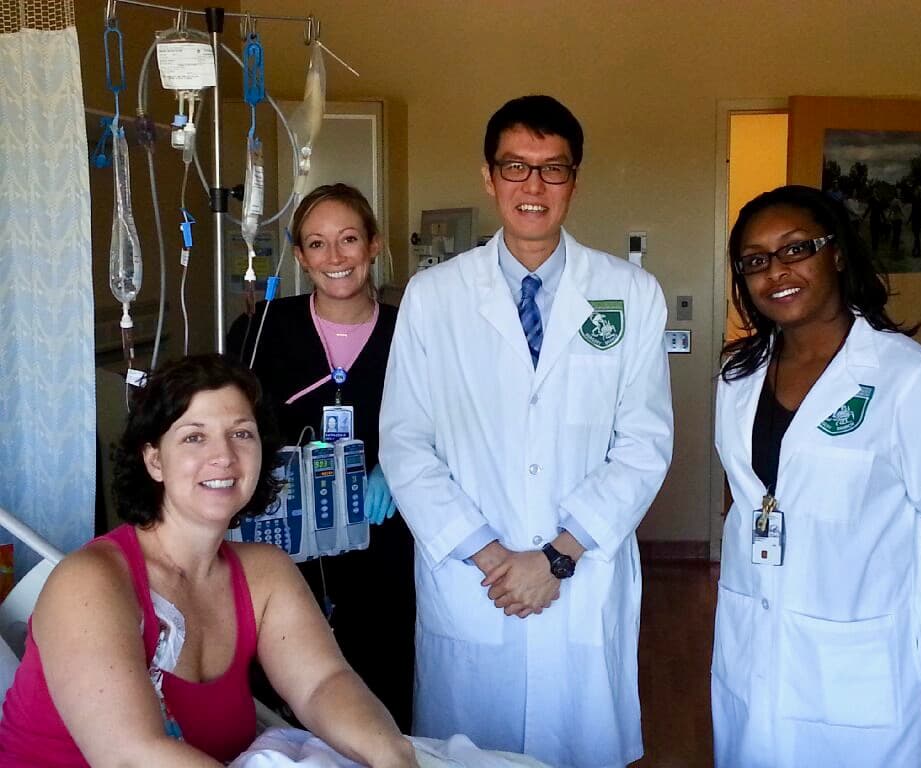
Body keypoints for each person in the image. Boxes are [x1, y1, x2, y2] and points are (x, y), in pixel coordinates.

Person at [379, 94, 673, 768]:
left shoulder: (630, 293)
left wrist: (559, 557)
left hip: (582, 575)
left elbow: (644, 445)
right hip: (477, 585)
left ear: (576, 180)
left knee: (581, 749)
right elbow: (405, 442)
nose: (532, 187)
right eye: (515, 167)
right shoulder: (435, 296)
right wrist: (493, 559)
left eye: (552, 169)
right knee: (469, 756)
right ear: (488, 177)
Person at [0, 354, 415, 768]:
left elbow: (324, 684)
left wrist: (393, 755)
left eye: (241, 434)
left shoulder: (266, 575)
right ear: (154, 460)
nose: (224, 456)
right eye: (194, 437)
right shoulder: (89, 583)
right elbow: (129, 756)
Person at [713, 184, 921, 767]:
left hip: (865, 654)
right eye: (756, 261)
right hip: (754, 630)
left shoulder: (907, 380)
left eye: (797, 249)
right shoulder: (739, 377)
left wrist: (910, 620)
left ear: (837, 253)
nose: (777, 272)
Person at [227, 183, 415, 732]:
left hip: (382, 533)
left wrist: (396, 469)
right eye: (317, 244)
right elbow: (227, 419)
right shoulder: (262, 328)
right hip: (282, 534)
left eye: (349, 239)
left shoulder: (412, 330)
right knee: (281, 678)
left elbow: (451, 420)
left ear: (374, 245)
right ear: (300, 254)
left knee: (381, 674)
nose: (335, 258)